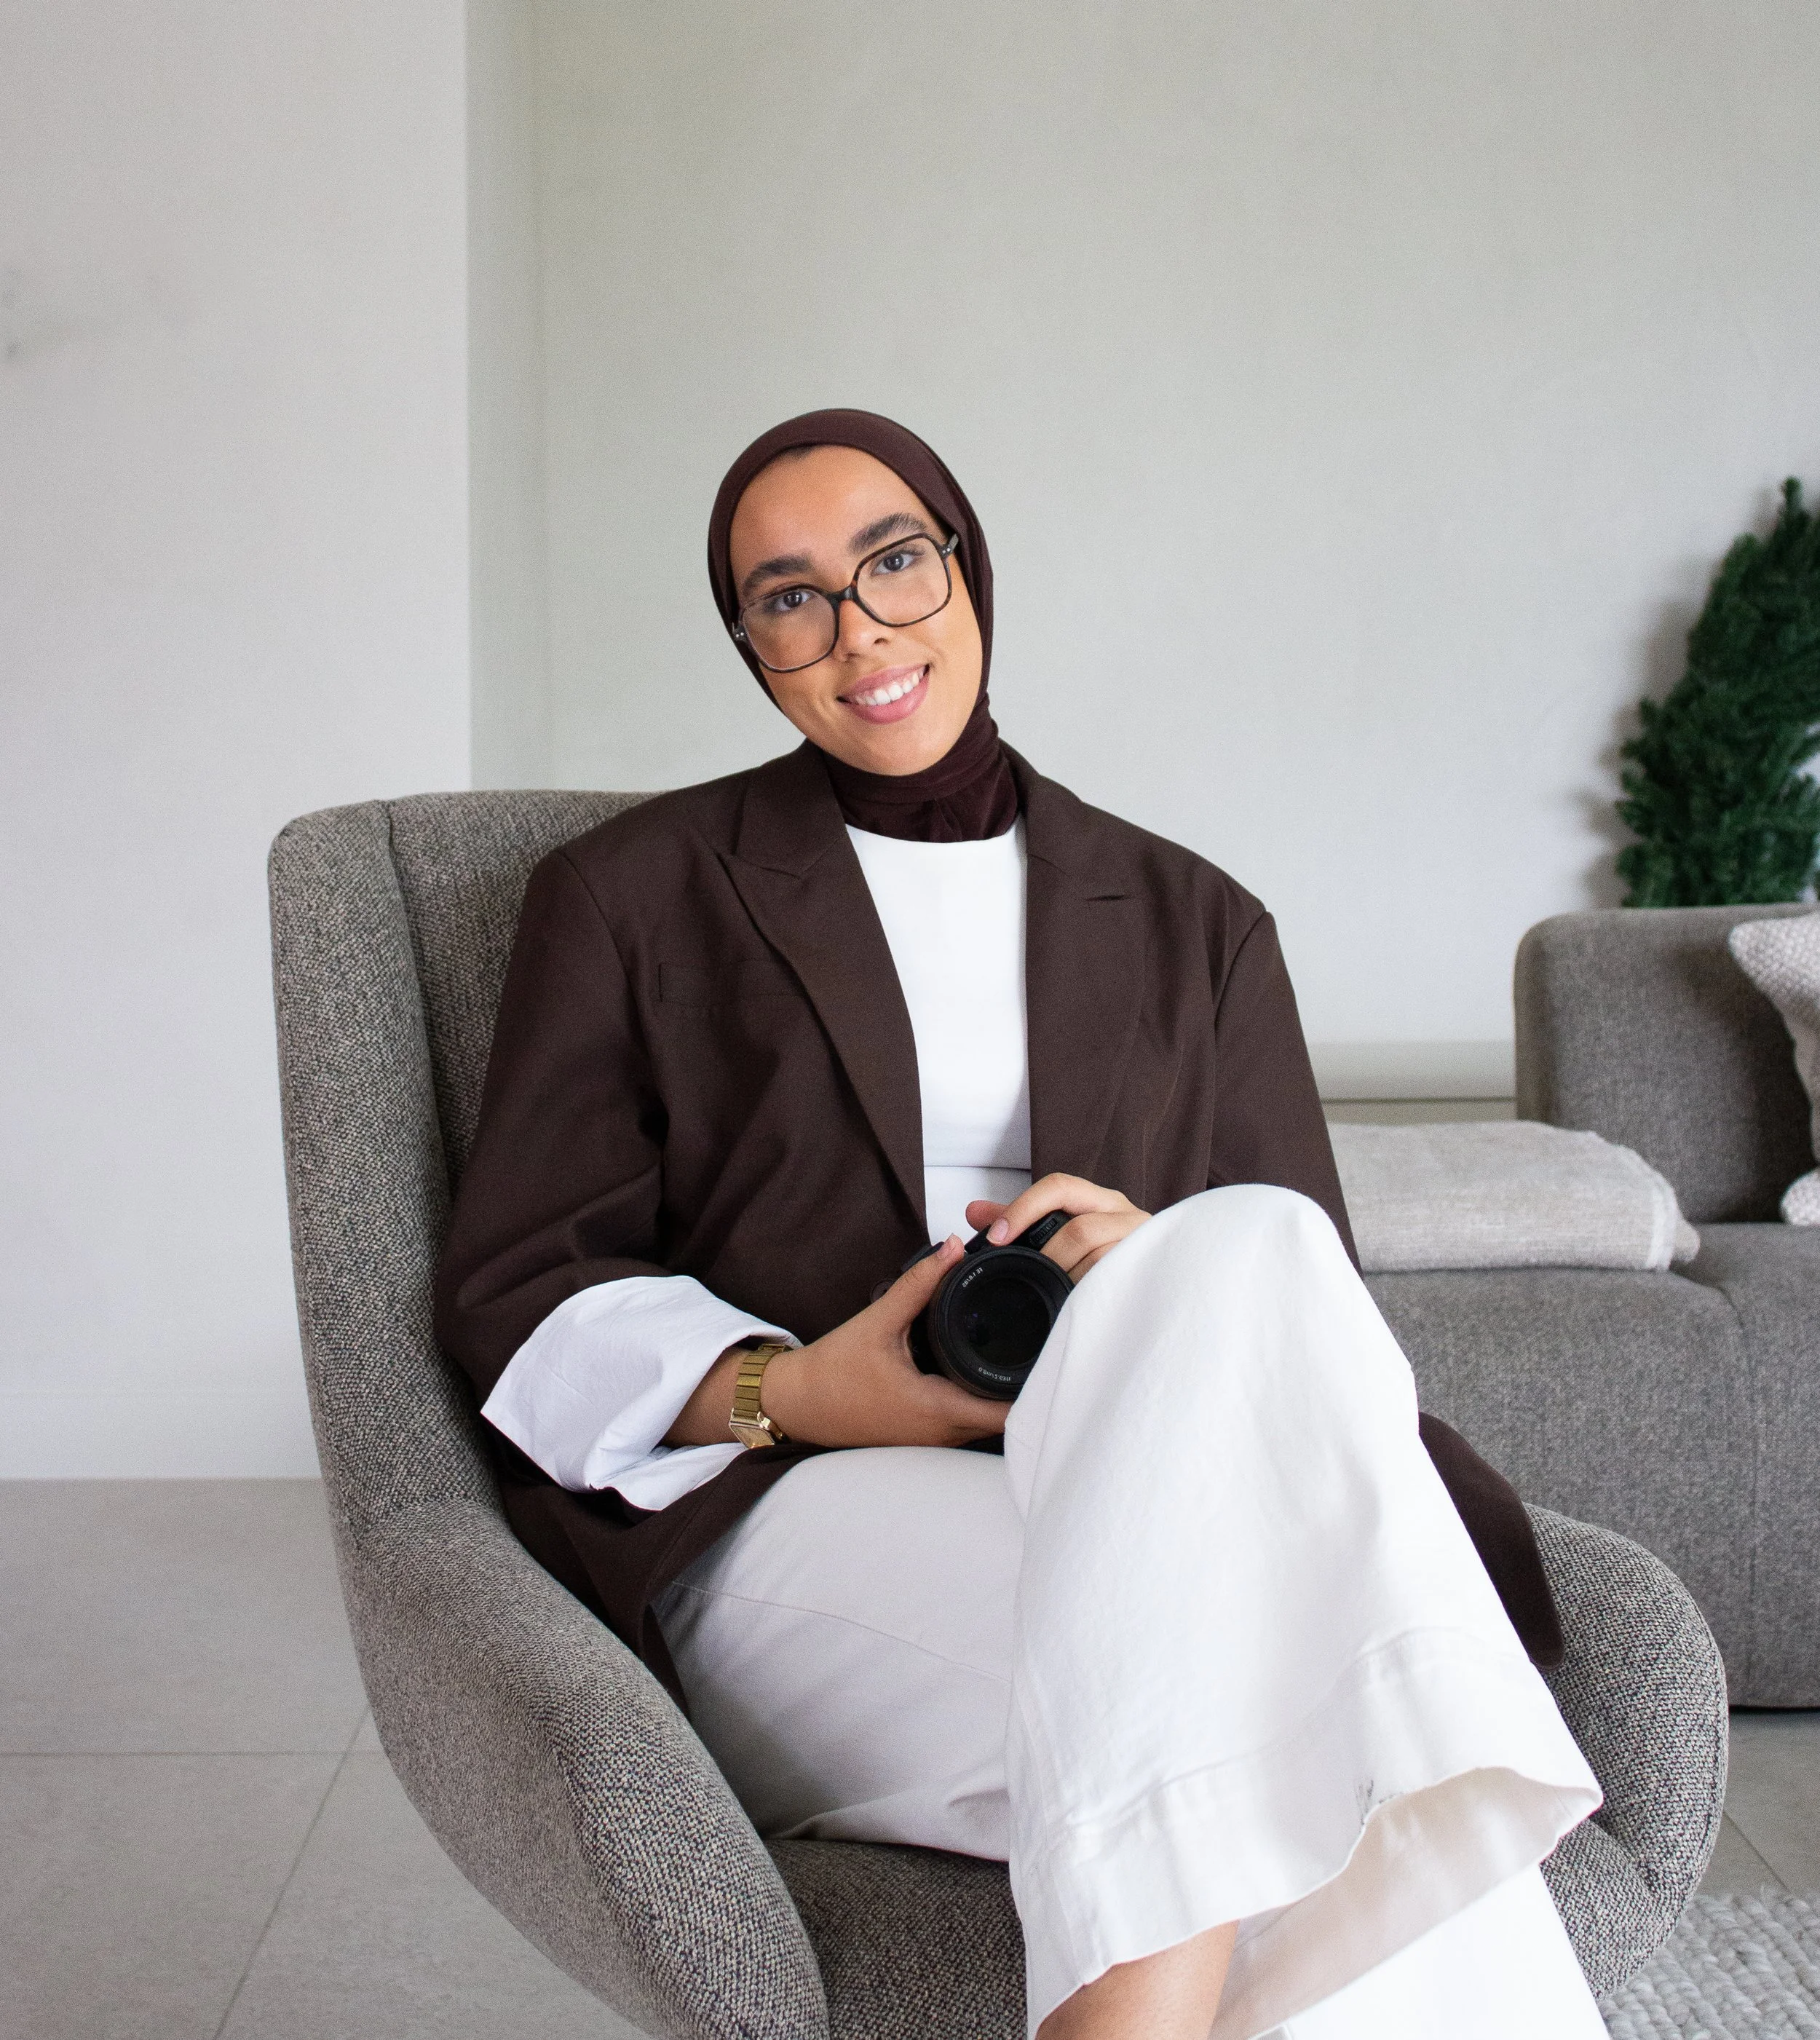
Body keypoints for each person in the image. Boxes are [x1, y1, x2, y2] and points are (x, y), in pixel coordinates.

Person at [435, 411, 1607, 2039]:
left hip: (1137, 1482)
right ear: (750, 649)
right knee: (1321, 1726)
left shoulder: (1196, 921)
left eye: (893, 562)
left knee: (1246, 1244)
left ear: (967, 565)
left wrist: (1147, 1269)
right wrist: (805, 1386)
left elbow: (1304, 1317)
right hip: (796, 1505)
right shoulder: (634, 894)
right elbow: (521, 1282)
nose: (860, 635)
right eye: (790, 599)